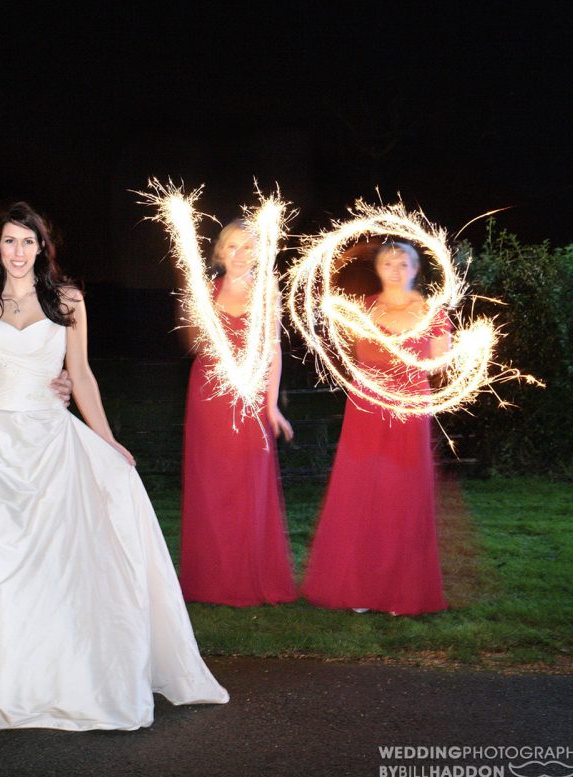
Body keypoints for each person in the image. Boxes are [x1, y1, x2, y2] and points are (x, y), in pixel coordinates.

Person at [0, 201, 229, 731]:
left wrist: (107, 440)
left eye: (28, 241)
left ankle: (64, 671)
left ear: (42, 247)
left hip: (49, 436)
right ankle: (1, 677)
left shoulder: (68, 298)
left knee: (56, 556)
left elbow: (83, 374)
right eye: (9, 240)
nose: (19, 251)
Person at [300, 241, 451, 615]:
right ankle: (360, 587)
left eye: (403, 263)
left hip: (408, 406)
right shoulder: (364, 308)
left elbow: (439, 364)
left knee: (404, 491)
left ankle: (402, 590)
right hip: (368, 406)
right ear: (378, 269)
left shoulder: (432, 312)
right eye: (387, 263)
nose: (395, 270)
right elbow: (358, 355)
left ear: (415, 269)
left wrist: (412, 361)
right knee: (364, 490)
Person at [178, 220, 298, 606]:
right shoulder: (205, 291)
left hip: (249, 399)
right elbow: (196, 344)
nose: (240, 254)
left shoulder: (267, 293)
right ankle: (210, 579)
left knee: (247, 483)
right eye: (232, 246)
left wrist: (271, 404)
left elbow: (273, 351)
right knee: (211, 484)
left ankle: (248, 575)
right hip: (209, 397)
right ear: (219, 252)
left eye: (248, 247)